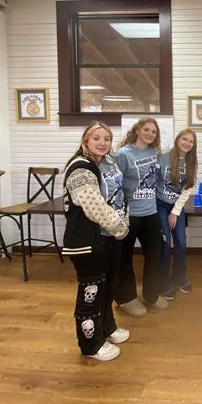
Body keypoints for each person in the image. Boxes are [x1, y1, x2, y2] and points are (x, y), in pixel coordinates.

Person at [63, 121, 131, 361]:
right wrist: (119, 227)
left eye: (107, 139)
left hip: (108, 236)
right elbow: (94, 206)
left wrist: (120, 225)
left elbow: (120, 196)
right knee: (91, 292)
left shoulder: (105, 163)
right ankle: (91, 344)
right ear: (85, 141)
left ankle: (107, 328)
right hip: (88, 241)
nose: (103, 143)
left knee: (108, 287)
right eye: (96, 138)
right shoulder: (81, 168)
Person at [114, 117, 167, 317]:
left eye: (154, 131)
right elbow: (115, 184)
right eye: (146, 130)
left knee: (155, 255)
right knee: (124, 258)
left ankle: (151, 295)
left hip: (151, 212)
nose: (150, 134)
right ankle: (126, 298)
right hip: (130, 215)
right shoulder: (123, 154)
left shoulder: (154, 152)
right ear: (137, 130)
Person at [156, 129, 198, 299]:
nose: (187, 143)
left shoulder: (192, 161)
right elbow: (153, 180)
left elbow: (188, 189)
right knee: (165, 244)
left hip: (176, 206)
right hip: (159, 204)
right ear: (178, 139)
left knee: (181, 242)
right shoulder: (163, 156)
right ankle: (163, 282)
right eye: (184, 139)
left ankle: (179, 278)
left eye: (191, 141)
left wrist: (174, 212)